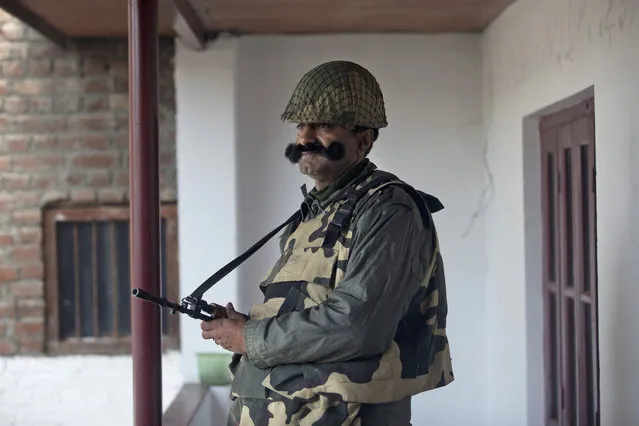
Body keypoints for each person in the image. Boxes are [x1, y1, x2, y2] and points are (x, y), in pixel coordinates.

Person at [200, 60, 454, 425]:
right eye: (302, 126)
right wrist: (245, 324)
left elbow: (359, 326)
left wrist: (251, 337)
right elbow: (308, 309)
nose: (304, 139)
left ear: (363, 140)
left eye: (322, 126)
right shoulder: (314, 213)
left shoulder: (389, 209)